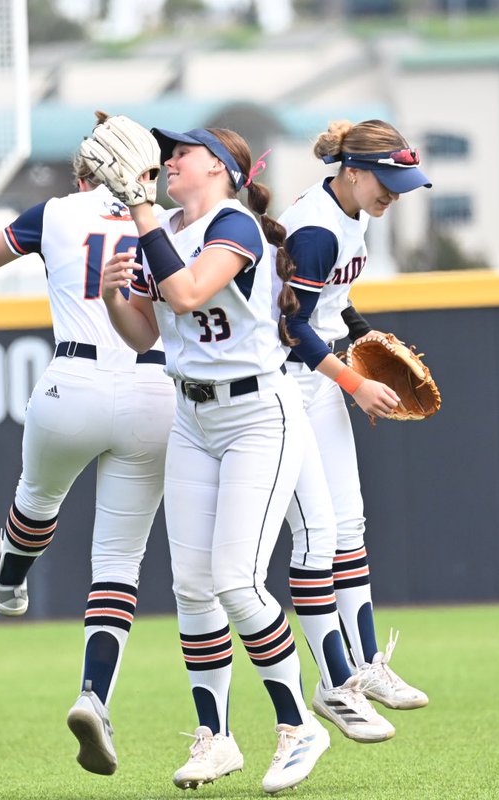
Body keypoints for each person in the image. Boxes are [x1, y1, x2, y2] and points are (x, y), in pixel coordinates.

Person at [0, 113, 176, 778]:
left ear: (87, 171)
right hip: (153, 391)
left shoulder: (54, 212)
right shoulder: (171, 225)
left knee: (37, 500)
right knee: (117, 563)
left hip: (73, 382)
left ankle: (7, 575)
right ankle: (94, 696)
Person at [96, 118, 330, 795]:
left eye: (184, 152)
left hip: (258, 415)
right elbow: (146, 333)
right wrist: (113, 296)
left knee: (236, 580)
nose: (169, 159)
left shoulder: (236, 224)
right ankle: (216, 736)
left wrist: (139, 212)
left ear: (223, 168)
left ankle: (298, 725)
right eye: (168, 152)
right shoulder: (162, 227)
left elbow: (190, 292)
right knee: (192, 587)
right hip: (192, 416)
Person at [280, 118, 433, 719]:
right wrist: (356, 383)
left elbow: (334, 307)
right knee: (317, 535)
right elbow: (290, 328)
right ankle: (332, 679)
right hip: (281, 388)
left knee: (349, 525)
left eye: (402, 184)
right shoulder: (316, 230)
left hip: (318, 380)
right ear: (352, 171)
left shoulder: (354, 215)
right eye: (387, 182)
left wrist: (371, 339)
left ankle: (368, 664)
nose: (394, 194)